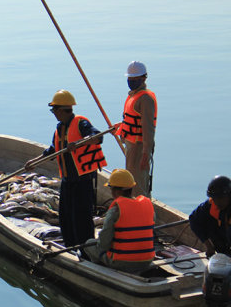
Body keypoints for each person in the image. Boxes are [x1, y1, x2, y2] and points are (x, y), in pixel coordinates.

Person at [25, 89, 107, 248]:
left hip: (83, 181)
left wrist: (80, 143)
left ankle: (86, 251)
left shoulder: (81, 123)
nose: (53, 113)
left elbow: (98, 137)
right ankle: (70, 247)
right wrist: (34, 162)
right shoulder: (60, 128)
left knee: (82, 218)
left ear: (62, 110)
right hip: (68, 181)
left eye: (54, 110)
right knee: (66, 218)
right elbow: (53, 150)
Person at [84, 169, 156, 272]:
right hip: (147, 260)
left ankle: (101, 270)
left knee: (88, 244)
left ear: (117, 191)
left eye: (111, 188)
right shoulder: (148, 205)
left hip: (121, 262)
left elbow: (103, 244)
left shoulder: (115, 210)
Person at [113, 61, 157, 198]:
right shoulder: (132, 95)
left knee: (137, 184)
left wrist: (145, 153)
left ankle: (143, 213)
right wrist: (121, 125)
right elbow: (132, 119)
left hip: (139, 147)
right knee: (130, 179)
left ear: (144, 78)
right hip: (131, 145)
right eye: (129, 79)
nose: (131, 81)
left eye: (134, 79)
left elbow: (148, 129)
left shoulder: (145, 99)